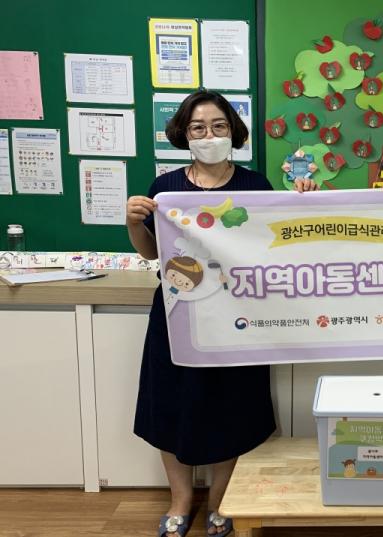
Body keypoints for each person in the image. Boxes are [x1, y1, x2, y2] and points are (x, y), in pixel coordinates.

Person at [126, 90, 318, 537]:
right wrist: (134, 222)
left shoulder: (255, 186)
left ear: (233, 131)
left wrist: (304, 204)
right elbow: (153, 253)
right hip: (177, 313)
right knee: (170, 404)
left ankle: (220, 501)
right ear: (183, 134)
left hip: (237, 314)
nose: (209, 135)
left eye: (218, 126)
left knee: (231, 406)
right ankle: (180, 500)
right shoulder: (165, 189)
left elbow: (273, 247)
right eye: (198, 127)